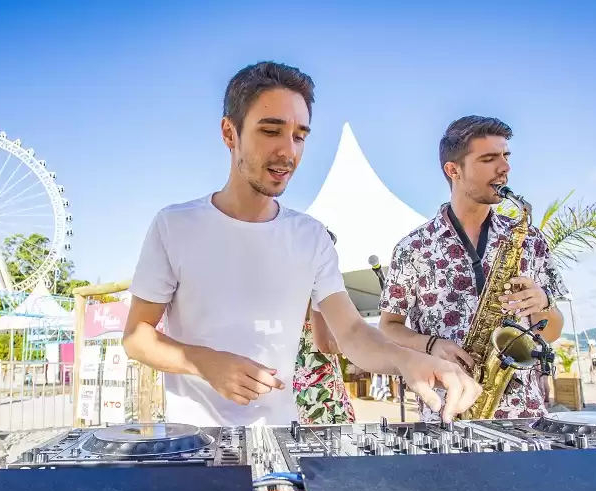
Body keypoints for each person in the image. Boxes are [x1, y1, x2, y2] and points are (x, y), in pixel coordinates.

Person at [123, 61, 481, 428]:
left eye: (299, 136)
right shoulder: (174, 225)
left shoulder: (311, 236)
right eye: (270, 131)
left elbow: (353, 332)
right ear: (229, 133)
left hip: (281, 442)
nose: (287, 151)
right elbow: (137, 337)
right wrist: (203, 361)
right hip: (193, 445)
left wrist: (410, 360)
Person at [379, 115, 570, 420]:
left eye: (506, 156)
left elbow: (553, 331)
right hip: (448, 410)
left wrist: (543, 304)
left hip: (524, 412)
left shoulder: (530, 238)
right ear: (453, 170)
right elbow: (388, 327)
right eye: (489, 158)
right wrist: (430, 344)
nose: (504, 167)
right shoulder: (412, 247)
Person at [294, 229, 356, 424]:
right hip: (320, 396)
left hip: (295, 392)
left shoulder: (284, 292)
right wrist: (353, 345)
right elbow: (326, 344)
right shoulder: (319, 292)